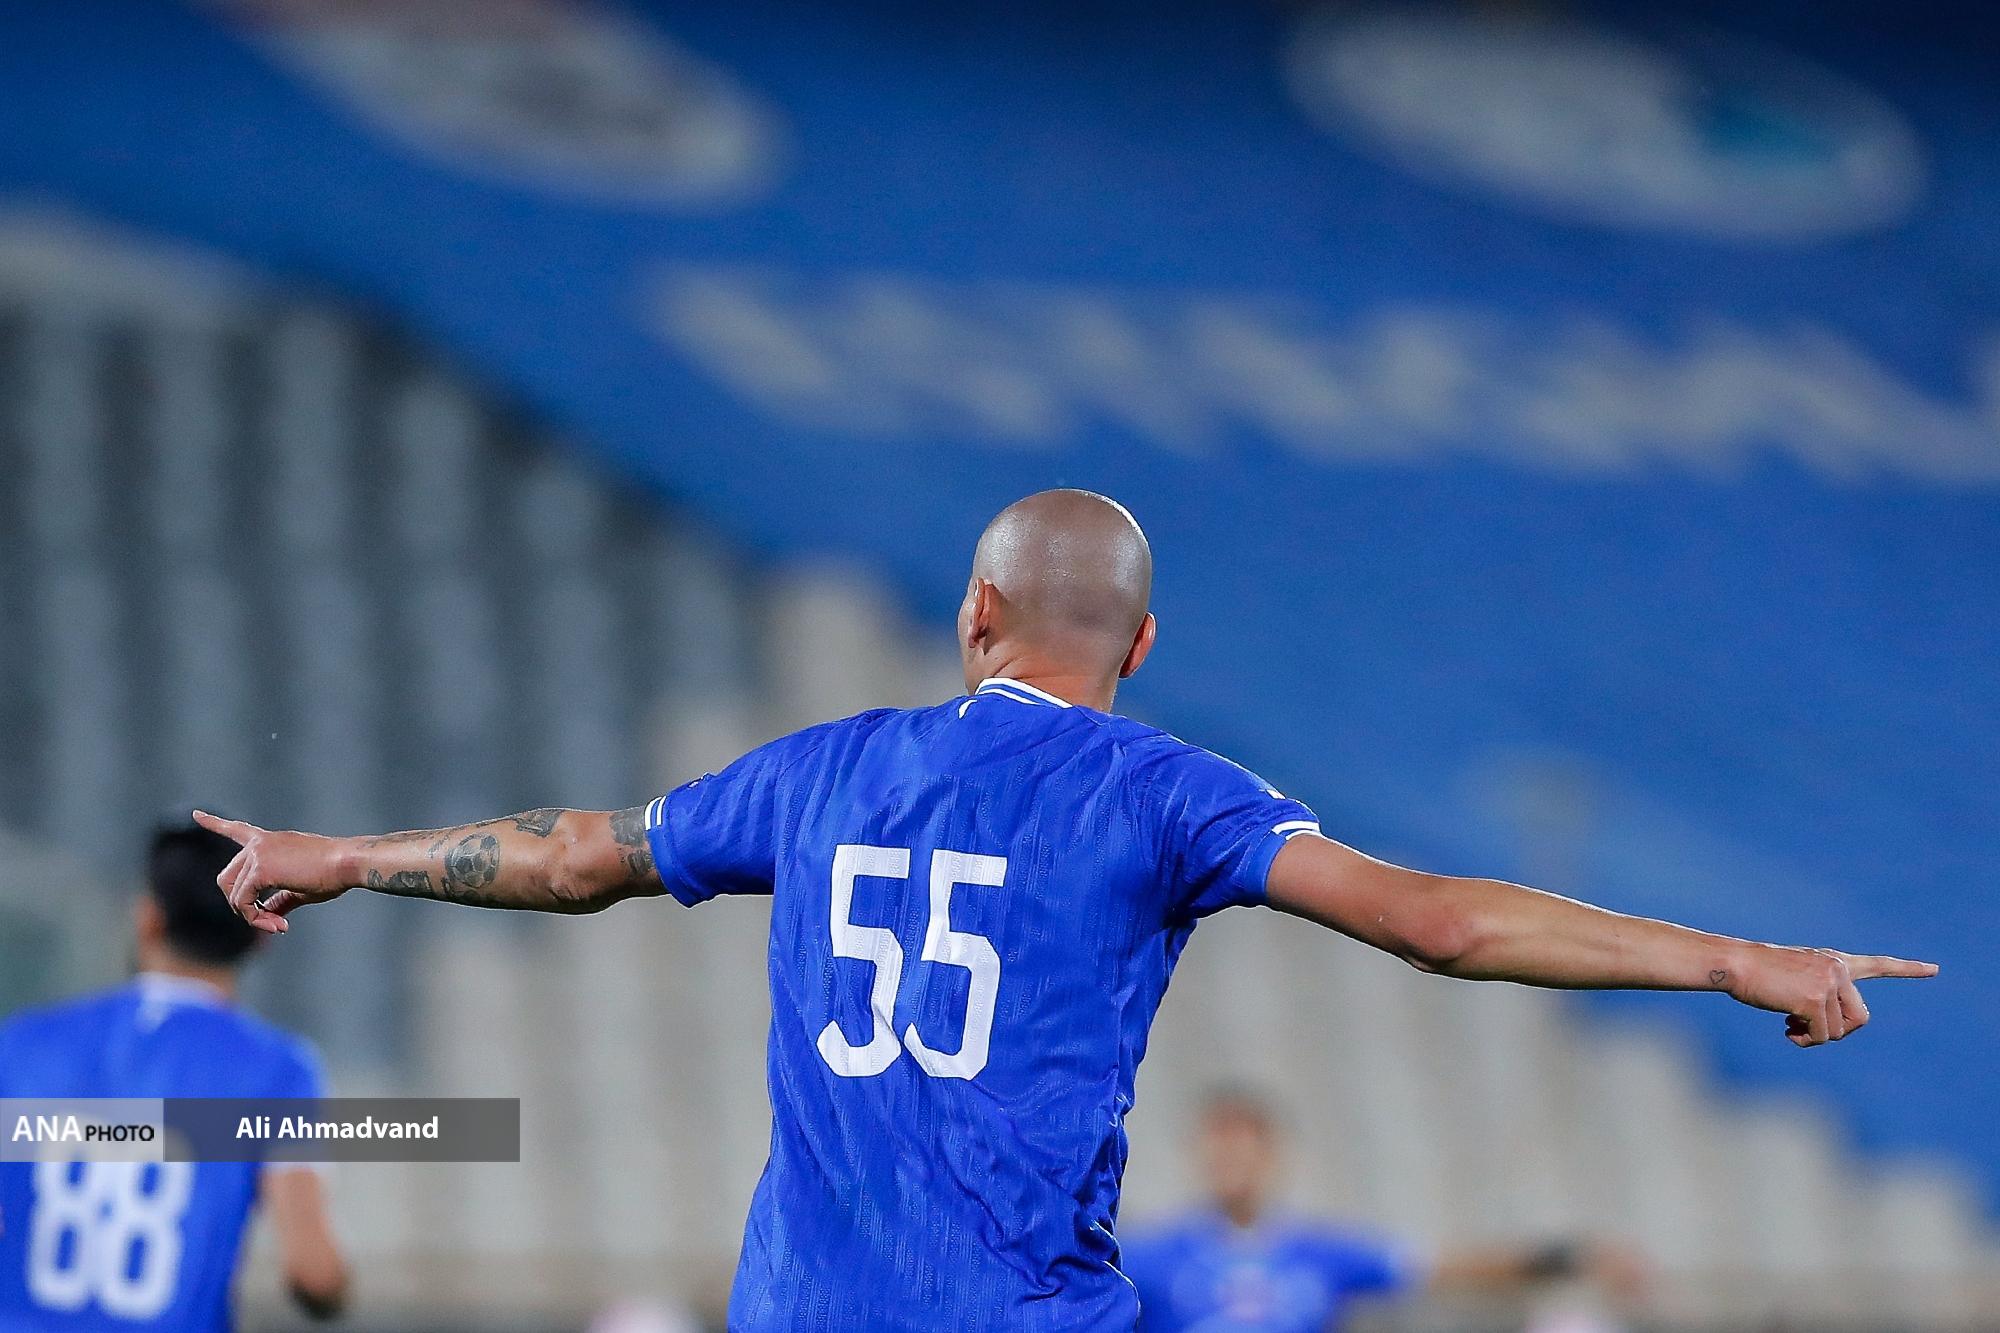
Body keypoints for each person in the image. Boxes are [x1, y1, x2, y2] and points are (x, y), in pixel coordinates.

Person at [194, 489, 1936, 1332]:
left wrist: (344, 853)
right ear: (1142, 646)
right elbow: (1442, 925)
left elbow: (573, 854)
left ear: (974, 614)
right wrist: (1730, 955)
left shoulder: (819, 770)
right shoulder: (1168, 792)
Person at [0, 823, 350, 1331]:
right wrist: (338, 1289)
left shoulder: (22, 1043)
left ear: (148, 918)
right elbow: (312, 1274)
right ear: (261, 935)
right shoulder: (277, 1071)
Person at [1123, 1087, 1636, 1332]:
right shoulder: (1147, 1259)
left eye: (1244, 1149)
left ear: (1273, 1156)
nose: (1232, 1164)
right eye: (1221, 1150)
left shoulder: (1322, 1255)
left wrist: (1565, 1258)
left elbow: (1442, 1269)